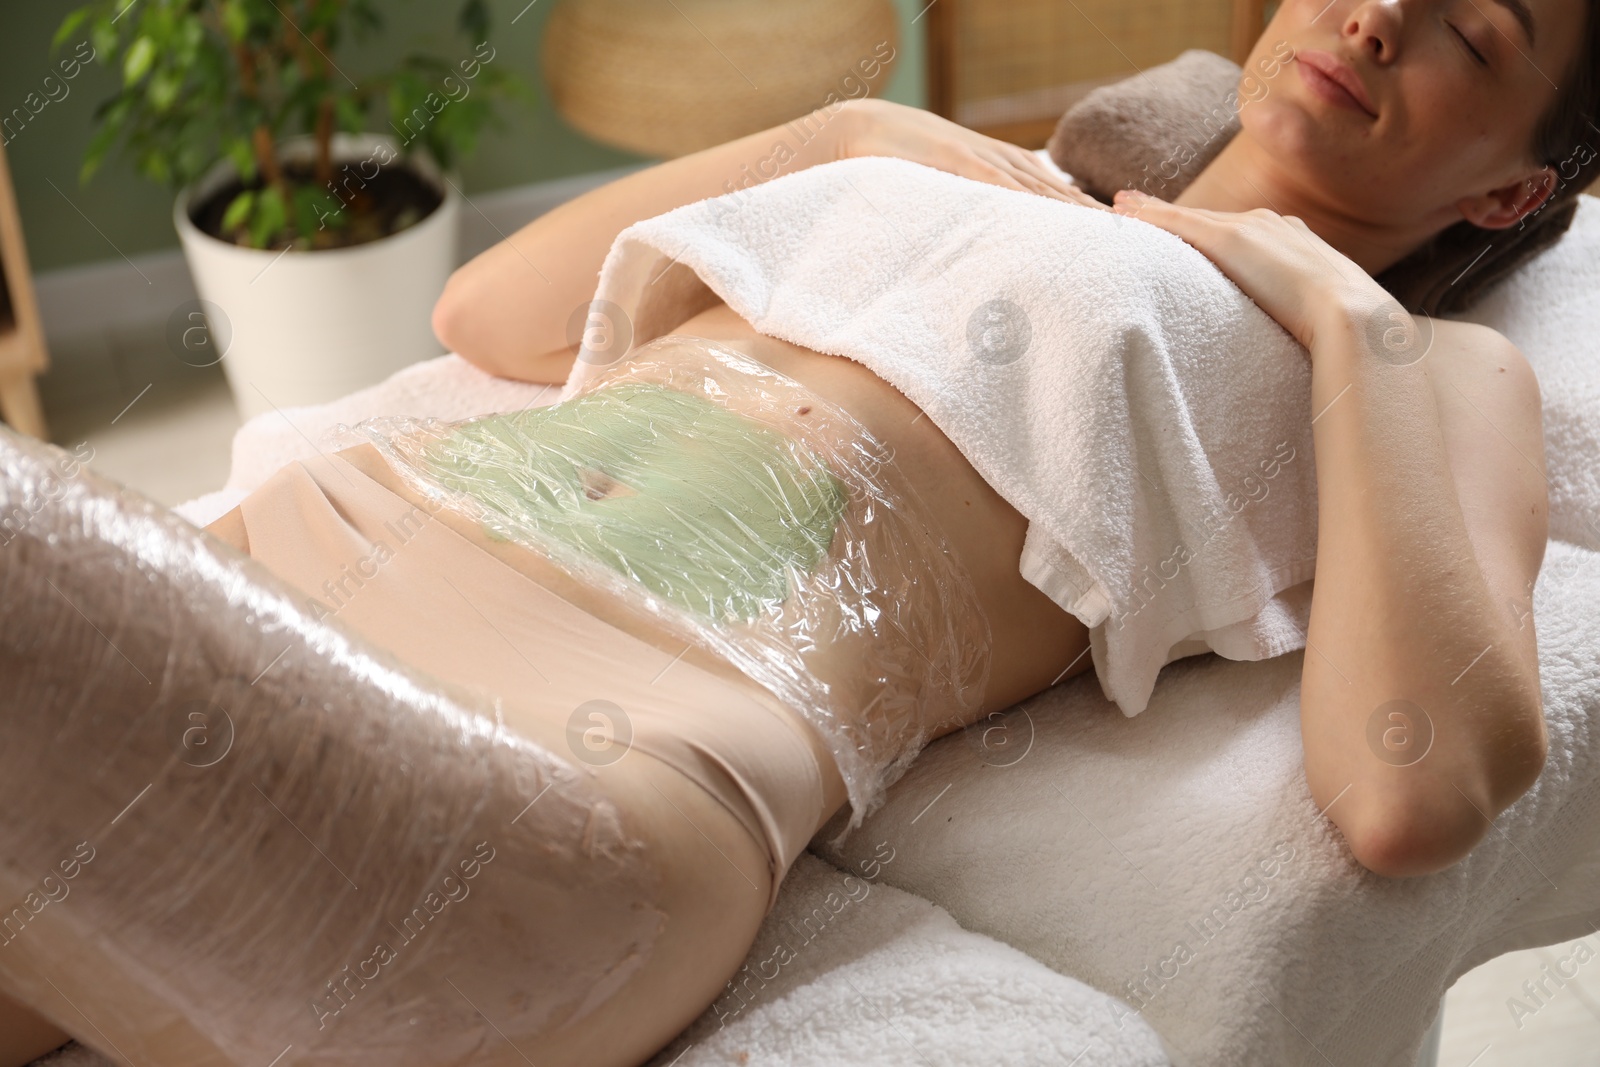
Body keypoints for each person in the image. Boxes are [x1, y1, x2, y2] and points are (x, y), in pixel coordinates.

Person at [2, 2, 1594, 1064]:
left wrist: (1335, 311)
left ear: (1515, 193)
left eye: (1472, 29)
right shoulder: (980, 175)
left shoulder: (1418, 369)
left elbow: (1415, 789)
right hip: (281, 563)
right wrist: (833, 139)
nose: (1383, 11)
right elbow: (491, 311)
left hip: (571, 777)